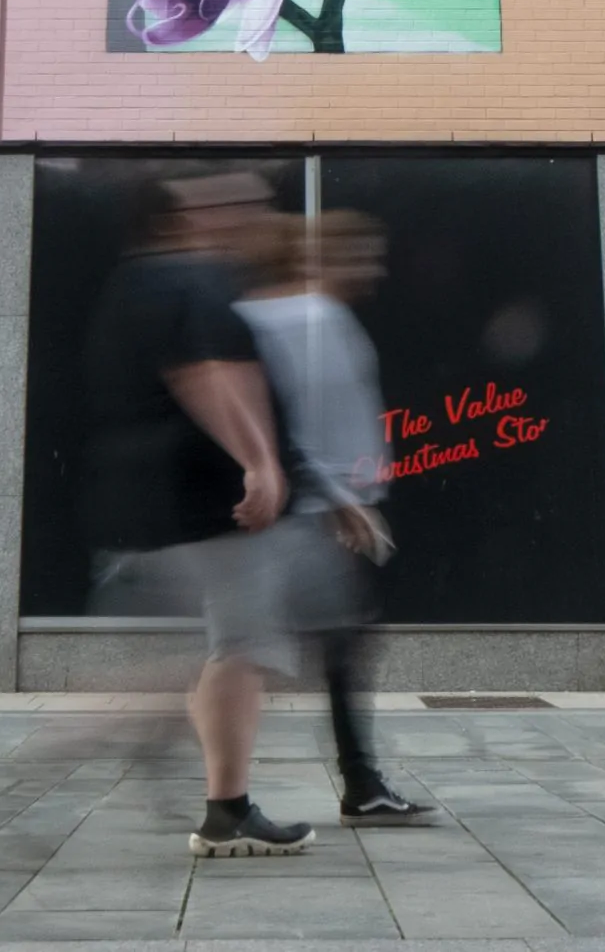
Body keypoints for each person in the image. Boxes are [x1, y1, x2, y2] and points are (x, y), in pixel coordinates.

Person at [82, 172, 311, 857]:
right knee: (241, 649)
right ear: (193, 216)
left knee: (222, 653)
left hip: (160, 502)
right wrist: (260, 461)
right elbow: (205, 374)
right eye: (241, 204)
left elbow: (218, 372)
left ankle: (214, 794)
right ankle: (222, 805)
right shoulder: (190, 281)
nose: (255, 215)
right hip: (208, 507)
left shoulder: (145, 280)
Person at [235, 210, 432, 827]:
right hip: (311, 514)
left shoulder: (272, 316)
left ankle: (360, 781)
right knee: (262, 651)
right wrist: (347, 500)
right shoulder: (316, 319)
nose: (373, 269)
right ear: (324, 258)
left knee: (325, 645)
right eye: (362, 255)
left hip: (307, 507)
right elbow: (303, 423)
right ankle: (353, 782)